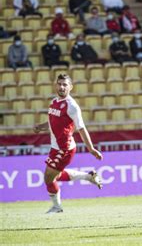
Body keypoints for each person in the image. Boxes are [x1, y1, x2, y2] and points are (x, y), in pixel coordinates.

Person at [33, 74, 103, 213]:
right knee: (55, 176)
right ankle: (89, 177)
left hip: (64, 149)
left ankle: (57, 207)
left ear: (71, 87)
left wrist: (91, 149)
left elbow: (81, 128)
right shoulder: (54, 102)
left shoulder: (72, 106)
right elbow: (53, 121)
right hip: (55, 147)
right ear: (55, 85)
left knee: (48, 177)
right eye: (59, 84)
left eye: (65, 84)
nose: (61, 87)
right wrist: (41, 126)